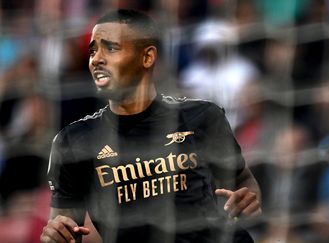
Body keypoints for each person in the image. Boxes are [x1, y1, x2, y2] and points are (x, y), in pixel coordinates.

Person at [40, 9, 261, 243]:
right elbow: (64, 228)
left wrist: (248, 198)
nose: (97, 59)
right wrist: (54, 236)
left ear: (147, 57)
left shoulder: (203, 116)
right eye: (93, 51)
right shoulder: (73, 141)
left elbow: (243, 180)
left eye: (111, 48)